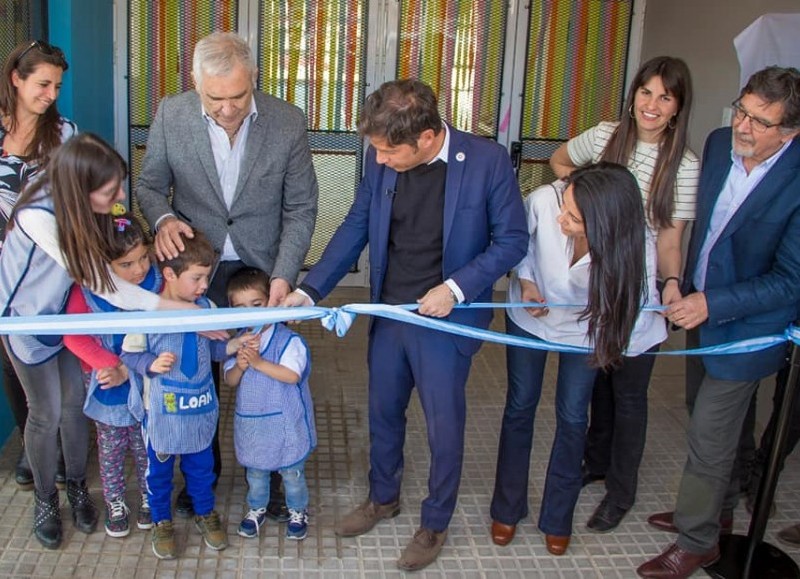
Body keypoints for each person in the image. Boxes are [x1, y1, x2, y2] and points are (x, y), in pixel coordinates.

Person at [283, 78, 528, 571]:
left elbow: (512, 241)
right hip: (390, 312)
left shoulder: (487, 162)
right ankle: (383, 498)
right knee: (383, 413)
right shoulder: (383, 162)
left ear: (428, 138)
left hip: (447, 318)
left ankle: (434, 523)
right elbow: (356, 223)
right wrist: (310, 290)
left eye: (389, 151)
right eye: (375, 150)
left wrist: (456, 288)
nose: (379, 161)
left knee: (445, 428)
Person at [135, 31, 319, 520]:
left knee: (272, 369)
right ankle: (203, 475)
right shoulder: (173, 115)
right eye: (215, 99)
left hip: (263, 269)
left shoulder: (287, 121)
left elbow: (301, 208)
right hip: (201, 269)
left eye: (238, 96)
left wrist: (285, 275)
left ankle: (279, 470)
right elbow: (150, 184)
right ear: (196, 84)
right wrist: (163, 220)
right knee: (203, 373)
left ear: (253, 79)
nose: (228, 109)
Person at [638, 66, 800, 578]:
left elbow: (792, 281)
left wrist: (713, 302)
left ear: (790, 132)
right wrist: (680, 284)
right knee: (716, 420)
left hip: (750, 329)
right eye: (741, 110)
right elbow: (702, 231)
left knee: (710, 434)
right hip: (701, 312)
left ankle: (698, 540)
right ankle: (721, 511)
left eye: (760, 121)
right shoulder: (714, 144)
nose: (743, 126)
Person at [0, 133, 194, 550]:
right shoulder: (38, 215)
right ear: (82, 186)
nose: (121, 195)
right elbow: (106, 287)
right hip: (27, 328)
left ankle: (75, 486)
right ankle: (46, 499)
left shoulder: (81, 208)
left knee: (73, 408)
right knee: (45, 414)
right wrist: (175, 308)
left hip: (63, 322)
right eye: (112, 189)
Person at [549, 55, 698, 531]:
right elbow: (560, 162)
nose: (653, 105)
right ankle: (594, 460)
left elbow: (672, 239)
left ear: (678, 107)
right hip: (593, 278)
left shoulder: (686, 165)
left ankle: (621, 490)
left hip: (642, 285)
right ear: (633, 95)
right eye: (646, 92)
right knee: (597, 378)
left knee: (630, 391)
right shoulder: (605, 136)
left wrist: (671, 283)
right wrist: (575, 211)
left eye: (665, 97)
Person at [490, 163, 661, 555]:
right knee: (520, 406)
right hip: (529, 317)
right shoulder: (544, 200)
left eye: (574, 219)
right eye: (564, 207)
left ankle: (557, 517)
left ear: (606, 224)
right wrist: (528, 280)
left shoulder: (638, 243)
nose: (560, 218)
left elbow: (639, 313)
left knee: (572, 416)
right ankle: (506, 509)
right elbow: (518, 244)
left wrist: (618, 340)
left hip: (586, 331)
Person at [120, 230, 249, 560]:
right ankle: (162, 521)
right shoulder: (144, 312)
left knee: (202, 468)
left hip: (200, 409)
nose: (204, 286)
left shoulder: (208, 306)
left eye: (207, 277)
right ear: (169, 274)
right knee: (159, 472)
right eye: (197, 278)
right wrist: (151, 363)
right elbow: (129, 354)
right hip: (162, 414)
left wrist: (233, 346)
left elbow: (216, 348)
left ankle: (205, 512)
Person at [0, 39, 77, 490]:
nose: (50, 94)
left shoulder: (64, 133)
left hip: (51, 275)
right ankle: (36, 448)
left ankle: (62, 450)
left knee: (59, 365)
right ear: (16, 78)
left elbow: (90, 194)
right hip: (6, 280)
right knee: (14, 366)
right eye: (42, 84)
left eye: (57, 86)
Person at [63, 214, 160, 538]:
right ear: (103, 264)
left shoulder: (157, 282)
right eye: (127, 264)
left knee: (145, 443)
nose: (140, 269)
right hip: (106, 382)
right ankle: (115, 500)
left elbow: (158, 332)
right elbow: (74, 336)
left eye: (144, 257)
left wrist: (128, 368)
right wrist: (111, 365)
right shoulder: (86, 290)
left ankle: (150, 495)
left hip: (144, 380)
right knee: (111, 447)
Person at [223, 267, 315, 541]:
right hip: (253, 423)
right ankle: (256, 508)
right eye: (240, 308)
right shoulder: (238, 342)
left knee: (292, 473)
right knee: (256, 472)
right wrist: (239, 367)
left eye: (256, 304)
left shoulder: (289, 340)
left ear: (271, 302)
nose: (250, 313)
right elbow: (229, 381)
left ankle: (298, 510)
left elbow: (292, 375)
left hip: (286, 422)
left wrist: (259, 363)